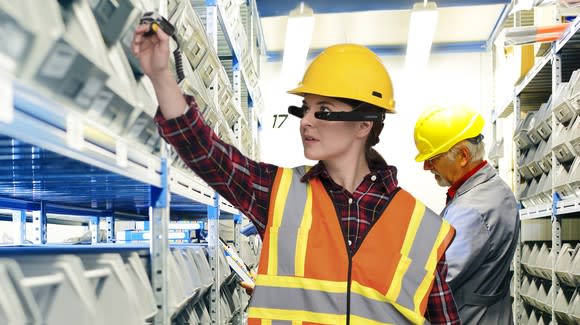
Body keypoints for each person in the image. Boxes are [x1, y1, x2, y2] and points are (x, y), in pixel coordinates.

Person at [132, 22, 460, 324]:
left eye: (325, 111)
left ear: (364, 125)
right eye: (305, 109)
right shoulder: (278, 193)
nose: (306, 121)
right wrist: (162, 75)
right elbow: (206, 153)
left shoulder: (423, 230)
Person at [413, 105, 520, 324]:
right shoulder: (490, 189)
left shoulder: (472, 209)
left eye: (433, 158)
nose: (426, 167)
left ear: (463, 155)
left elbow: (437, 281)